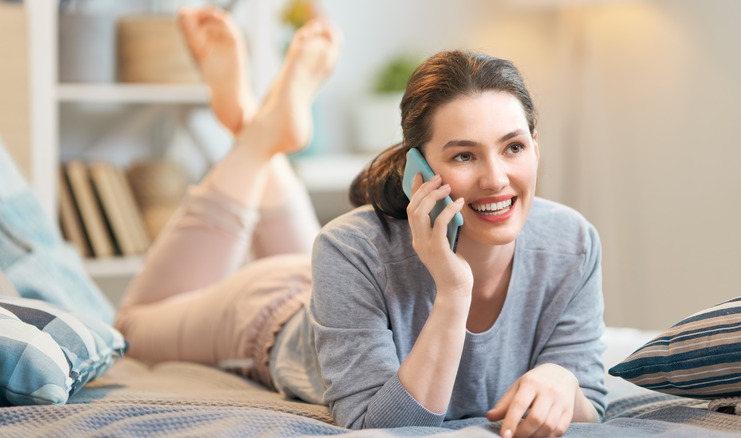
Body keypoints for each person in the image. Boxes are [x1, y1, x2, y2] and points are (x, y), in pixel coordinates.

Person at [114, 6, 607, 438]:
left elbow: (590, 398)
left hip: (344, 292)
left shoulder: (573, 244)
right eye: (463, 156)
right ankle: (258, 137)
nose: (496, 178)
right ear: (418, 169)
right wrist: (454, 288)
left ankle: (256, 127)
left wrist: (562, 380)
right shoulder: (349, 247)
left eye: (513, 147)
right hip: (268, 315)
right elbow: (379, 426)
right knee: (130, 325)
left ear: (535, 147)